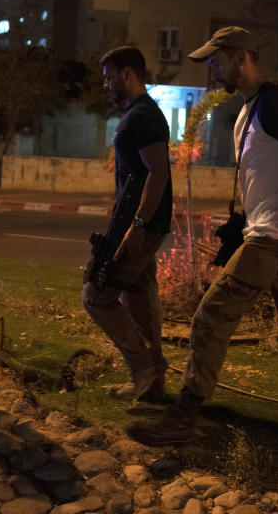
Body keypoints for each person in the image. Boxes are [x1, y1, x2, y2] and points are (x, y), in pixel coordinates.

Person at [127, 26, 278, 448]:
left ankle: (184, 416)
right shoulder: (252, 108)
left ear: (241, 58)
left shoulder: (275, 106)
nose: (213, 70)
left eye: (217, 61)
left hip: (274, 236)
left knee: (211, 316)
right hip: (277, 231)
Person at [83, 45, 172, 402]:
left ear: (127, 74)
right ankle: (154, 387)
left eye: (108, 78)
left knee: (96, 295)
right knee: (138, 299)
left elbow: (159, 172)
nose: (105, 86)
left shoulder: (143, 116)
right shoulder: (138, 114)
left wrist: (137, 225)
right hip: (134, 221)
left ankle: (145, 368)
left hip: (141, 225)